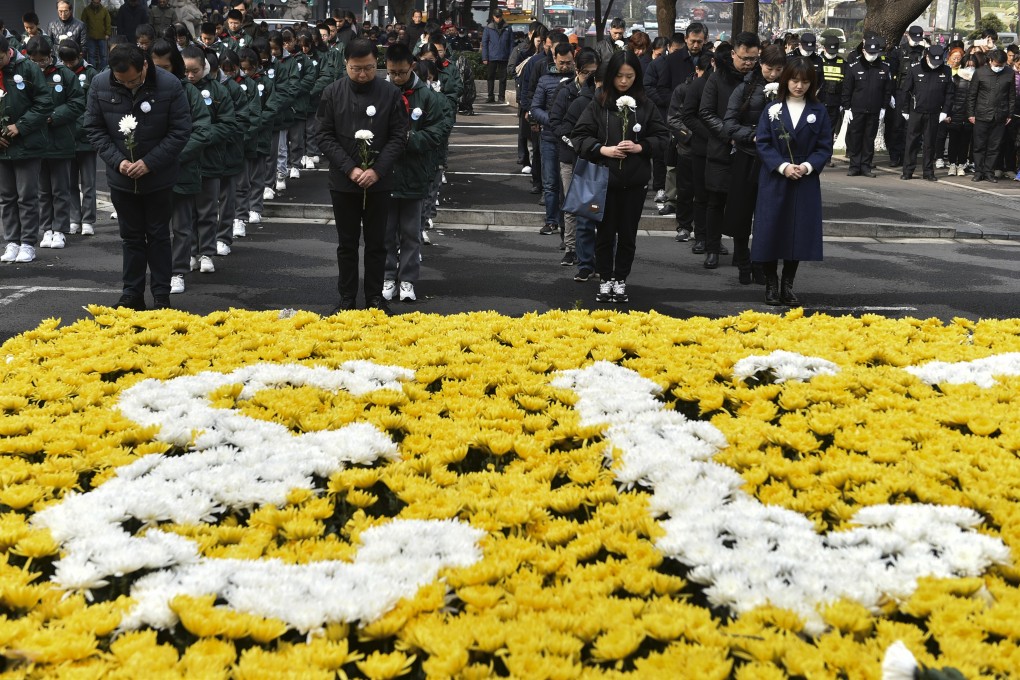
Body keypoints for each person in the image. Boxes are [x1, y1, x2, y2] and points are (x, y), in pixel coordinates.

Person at [84, 43, 190, 310]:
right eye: (121, 81)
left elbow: (180, 131)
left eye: (133, 80)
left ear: (144, 65)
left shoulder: (169, 84)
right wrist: (118, 161)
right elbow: (94, 128)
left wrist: (149, 162)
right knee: (130, 237)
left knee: (158, 236)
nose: (128, 85)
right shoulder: (100, 84)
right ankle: (131, 293)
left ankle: (161, 294)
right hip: (121, 178)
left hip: (158, 177)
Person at [315, 38, 408, 312]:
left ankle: (375, 299)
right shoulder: (332, 93)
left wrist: (377, 170)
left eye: (368, 68)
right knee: (347, 244)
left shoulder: (390, 94)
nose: (363, 74)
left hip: (378, 182)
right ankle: (346, 298)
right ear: (346, 64)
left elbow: (399, 136)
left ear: (376, 64)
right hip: (344, 181)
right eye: (356, 69)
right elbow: (323, 135)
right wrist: (351, 168)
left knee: (378, 244)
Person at [571, 51, 668, 305]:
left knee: (627, 234)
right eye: (619, 76)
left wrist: (641, 147)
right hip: (604, 180)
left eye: (630, 76)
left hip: (634, 182)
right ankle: (605, 278)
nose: (624, 82)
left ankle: (620, 279)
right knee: (604, 233)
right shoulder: (599, 103)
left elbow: (663, 137)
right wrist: (603, 150)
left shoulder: (645, 104)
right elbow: (579, 136)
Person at [751, 57, 832, 306]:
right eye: (795, 81)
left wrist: (807, 166)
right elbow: (762, 142)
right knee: (770, 230)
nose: (799, 86)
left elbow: (824, 147)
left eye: (805, 82)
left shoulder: (819, 111)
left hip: (804, 179)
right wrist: (783, 166)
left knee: (797, 232)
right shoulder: (772, 109)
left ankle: (788, 284)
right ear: (786, 80)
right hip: (776, 177)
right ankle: (771, 284)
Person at [381, 43, 450, 304]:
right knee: (386, 232)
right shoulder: (382, 91)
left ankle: (407, 279)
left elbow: (438, 131)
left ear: (412, 66)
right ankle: (388, 276)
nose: (396, 77)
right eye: (391, 73)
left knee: (411, 232)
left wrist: (410, 139)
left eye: (400, 72)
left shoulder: (428, 96)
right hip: (386, 173)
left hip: (415, 172)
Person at [151, 38, 211, 295]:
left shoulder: (188, 91)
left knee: (182, 227)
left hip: (180, 168)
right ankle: (159, 271)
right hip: (151, 171)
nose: (161, 72)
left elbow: (202, 129)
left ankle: (177, 271)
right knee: (154, 227)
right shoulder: (145, 89)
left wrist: (173, 155)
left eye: (166, 66)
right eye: (156, 67)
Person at [722, 44, 786, 285]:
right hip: (747, 156)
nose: (773, 74)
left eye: (779, 69)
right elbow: (728, 123)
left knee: (768, 216)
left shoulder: (788, 90)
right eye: (770, 68)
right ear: (761, 64)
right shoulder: (746, 88)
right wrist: (752, 135)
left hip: (775, 162)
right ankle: (742, 261)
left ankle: (762, 264)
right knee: (741, 213)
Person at [699, 32, 760, 269]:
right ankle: (712, 248)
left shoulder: (759, 79)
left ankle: (741, 252)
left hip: (750, 151)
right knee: (716, 201)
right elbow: (706, 112)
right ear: (733, 53)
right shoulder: (717, 78)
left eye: (753, 59)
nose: (748, 63)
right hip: (721, 148)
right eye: (744, 58)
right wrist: (730, 135)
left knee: (743, 204)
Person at [25, 36, 85, 252]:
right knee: (42, 190)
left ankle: (60, 229)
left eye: (43, 60)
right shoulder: (25, 76)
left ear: (51, 56)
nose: (40, 64)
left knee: (61, 189)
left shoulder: (65, 75)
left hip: (60, 140)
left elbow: (78, 103)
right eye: (35, 60)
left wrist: (53, 116)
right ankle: (46, 228)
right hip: (35, 142)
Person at [0, 35, 54, 265]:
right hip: (2, 148)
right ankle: (11, 241)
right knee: (6, 197)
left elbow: (44, 102)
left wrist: (20, 126)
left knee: (27, 197)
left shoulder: (28, 68)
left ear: (7, 52)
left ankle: (28, 243)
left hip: (28, 143)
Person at [551, 48, 600, 274]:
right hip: (570, 156)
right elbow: (556, 123)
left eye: (596, 73)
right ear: (578, 70)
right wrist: (574, 142)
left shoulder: (602, 95)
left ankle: (591, 251)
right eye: (588, 73)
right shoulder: (566, 91)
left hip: (593, 158)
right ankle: (570, 248)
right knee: (571, 205)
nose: (593, 78)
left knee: (592, 207)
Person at [530, 41, 575, 240]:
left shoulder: (577, 81)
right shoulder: (545, 80)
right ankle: (551, 220)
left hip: (571, 140)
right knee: (550, 182)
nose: (565, 66)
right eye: (562, 62)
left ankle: (568, 222)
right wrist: (553, 121)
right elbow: (535, 108)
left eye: (569, 62)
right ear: (554, 59)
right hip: (549, 137)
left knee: (569, 183)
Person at [60, 39, 99, 238]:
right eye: (65, 62)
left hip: (86, 137)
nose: (68, 65)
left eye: (71, 61)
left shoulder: (91, 74)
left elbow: (92, 106)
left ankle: (88, 220)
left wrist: (78, 125)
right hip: (66, 138)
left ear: (80, 56)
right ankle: (74, 218)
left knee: (89, 182)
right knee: (70, 183)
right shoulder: (60, 74)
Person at [899, 45, 954, 181]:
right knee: (912, 142)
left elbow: (950, 93)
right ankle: (908, 170)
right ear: (927, 57)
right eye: (933, 61)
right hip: (916, 112)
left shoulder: (946, 71)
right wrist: (905, 109)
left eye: (938, 61)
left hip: (934, 112)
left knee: (930, 144)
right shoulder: (915, 69)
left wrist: (945, 111)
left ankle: (928, 172)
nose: (936, 64)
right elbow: (906, 91)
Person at [842, 36, 892, 177]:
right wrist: (846, 108)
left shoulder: (884, 68)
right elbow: (847, 89)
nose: (872, 56)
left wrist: (883, 108)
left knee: (869, 139)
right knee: (855, 138)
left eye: (875, 53)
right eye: (869, 53)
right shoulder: (854, 67)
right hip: (856, 109)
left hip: (875, 109)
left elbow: (887, 90)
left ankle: (865, 166)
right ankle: (854, 166)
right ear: (863, 51)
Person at [680, 53, 713, 253]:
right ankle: (701, 236)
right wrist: (712, 133)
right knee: (700, 195)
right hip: (700, 147)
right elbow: (687, 115)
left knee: (717, 198)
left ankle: (714, 238)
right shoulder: (697, 86)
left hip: (724, 149)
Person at [967, 48, 1015, 182]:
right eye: (997, 65)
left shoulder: (1009, 73)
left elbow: (1011, 96)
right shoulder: (980, 73)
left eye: (1002, 65)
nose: (999, 67)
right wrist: (971, 113)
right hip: (981, 114)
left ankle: (989, 172)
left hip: (1000, 115)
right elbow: (972, 95)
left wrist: (1009, 114)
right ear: (990, 61)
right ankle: (978, 172)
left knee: (994, 147)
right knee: (979, 145)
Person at [947, 53, 978, 176]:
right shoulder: (955, 78)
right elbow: (949, 97)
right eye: (968, 65)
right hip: (955, 114)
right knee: (953, 141)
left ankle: (961, 164)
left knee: (965, 142)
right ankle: (952, 164)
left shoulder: (977, 80)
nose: (970, 68)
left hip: (969, 115)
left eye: (973, 65)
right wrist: (948, 113)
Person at [481, 8, 513, 103]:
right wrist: (485, 57)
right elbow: (484, 43)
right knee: (490, 77)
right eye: (496, 17)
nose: (498, 18)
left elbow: (511, 44)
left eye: (499, 16)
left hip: (504, 56)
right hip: (492, 57)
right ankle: (490, 96)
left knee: (503, 78)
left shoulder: (508, 28)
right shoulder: (488, 28)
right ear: (493, 17)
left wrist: (511, 57)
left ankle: (501, 97)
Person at [819, 34, 844, 147]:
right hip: (819, 101)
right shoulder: (818, 61)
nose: (831, 54)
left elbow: (845, 84)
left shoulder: (842, 63)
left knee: (830, 130)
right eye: (829, 51)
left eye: (834, 52)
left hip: (835, 101)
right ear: (824, 48)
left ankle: (827, 156)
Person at [80, 0, 112, 69]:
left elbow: (108, 22)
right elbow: (83, 23)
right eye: (94, 2)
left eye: (97, 2)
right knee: (91, 55)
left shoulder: (104, 10)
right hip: (90, 36)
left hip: (102, 36)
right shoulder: (86, 10)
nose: (96, 4)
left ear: (100, 1)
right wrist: (85, 34)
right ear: (91, 1)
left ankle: (103, 70)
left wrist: (107, 33)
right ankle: (93, 70)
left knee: (103, 55)